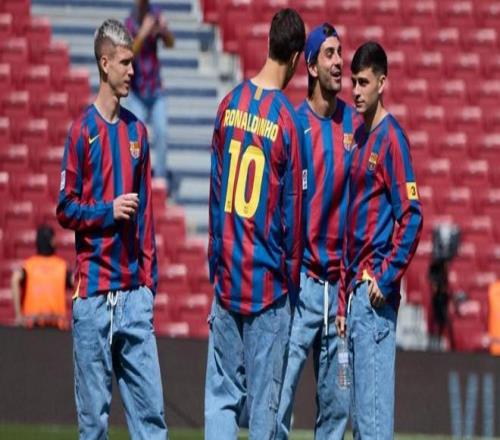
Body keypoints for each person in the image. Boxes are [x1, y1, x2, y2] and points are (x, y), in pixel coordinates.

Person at [56, 19, 168, 440]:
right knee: (93, 426)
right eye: (124, 63)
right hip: (93, 300)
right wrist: (108, 211)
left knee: (152, 422)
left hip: (134, 298)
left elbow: (148, 217)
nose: (132, 71)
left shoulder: (138, 131)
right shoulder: (81, 132)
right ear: (104, 64)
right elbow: (65, 208)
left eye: (133, 63)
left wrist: (149, 287)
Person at [205, 8, 306, 439]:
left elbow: (215, 195)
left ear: (268, 43)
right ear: (297, 58)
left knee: (222, 397)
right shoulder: (288, 122)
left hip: (228, 279)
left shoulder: (228, 106)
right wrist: (291, 282)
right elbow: (292, 217)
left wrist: (216, 263)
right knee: (266, 405)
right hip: (268, 286)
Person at [335, 42, 423, 439]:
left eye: (364, 82)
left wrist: (384, 279)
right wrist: (344, 296)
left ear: (382, 83)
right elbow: (351, 226)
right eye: (353, 82)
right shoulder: (359, 137)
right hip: (355, 297)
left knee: (372, 426)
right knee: (361, 423)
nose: (355, 91)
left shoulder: (392, 139)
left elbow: (412, 216)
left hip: (373, 303)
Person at [276, 23, 360, 440]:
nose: (339, 61)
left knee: (337, 410)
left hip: (339, 295)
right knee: (277, 403)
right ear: (310, 66)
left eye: (340, 52)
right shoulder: (293, 126)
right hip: (300, 289)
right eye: (329, 54)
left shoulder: (355, 127)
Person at [125, 0, 175, 193]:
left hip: (155, 89)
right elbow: (129, 53)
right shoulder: (130, 21)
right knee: (136, 137)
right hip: (137, 91)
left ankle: (161, 179)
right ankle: (136, 179)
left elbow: (170, 44)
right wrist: (144, 33)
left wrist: (163, 30)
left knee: (162, 132)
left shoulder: (156, 14)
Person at [11, 225, 73, 330]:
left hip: (31, 326)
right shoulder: (62, 266)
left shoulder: (29, 265)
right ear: (52, 242)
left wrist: (18, 316)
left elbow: (15, 278)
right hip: (57, 327)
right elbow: (76, 282)